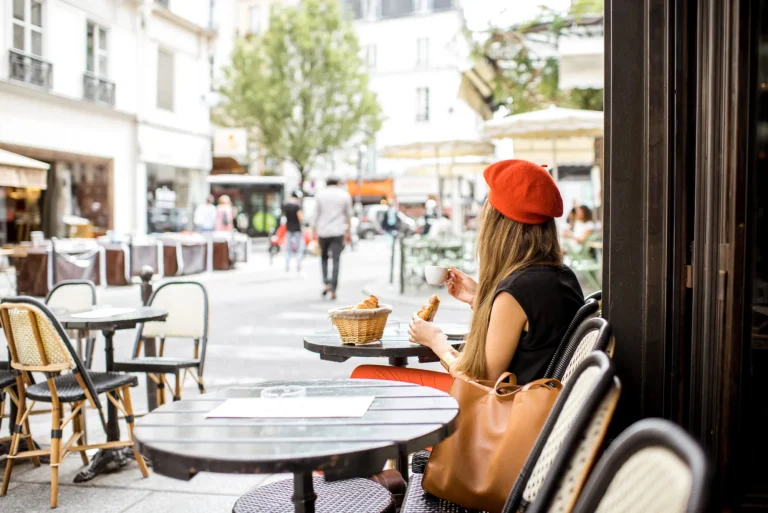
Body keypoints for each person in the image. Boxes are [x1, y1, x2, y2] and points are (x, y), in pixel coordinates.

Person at [351, 159, 584, 391]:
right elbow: (533, 340)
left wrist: (436, 341)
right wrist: (479, 298)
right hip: (538, 404)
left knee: (365, 376)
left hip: (504, 410)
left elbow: (479, 382)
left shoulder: (516, 292)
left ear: (499, 229)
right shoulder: (563, 277)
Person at [313, 177, 352, 300]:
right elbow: (348, 215)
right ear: (338, 183)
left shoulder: (320, 195)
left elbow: (315, 215)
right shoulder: (344, 195)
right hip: (338, 231)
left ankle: (326, 283)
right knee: (336, 260)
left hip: (323, 231)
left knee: (323, 258)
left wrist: (314, 232)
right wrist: (348, 232)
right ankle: (334, 289)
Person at [282, 191, 305, 273]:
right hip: (297, 229)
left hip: (289, 229)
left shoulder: (285, 205)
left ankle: (287, 264)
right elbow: (300, 217)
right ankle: (298, 265)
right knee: (299, 248)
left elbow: (283, 216)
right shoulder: (297, 205)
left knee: (288, 248)